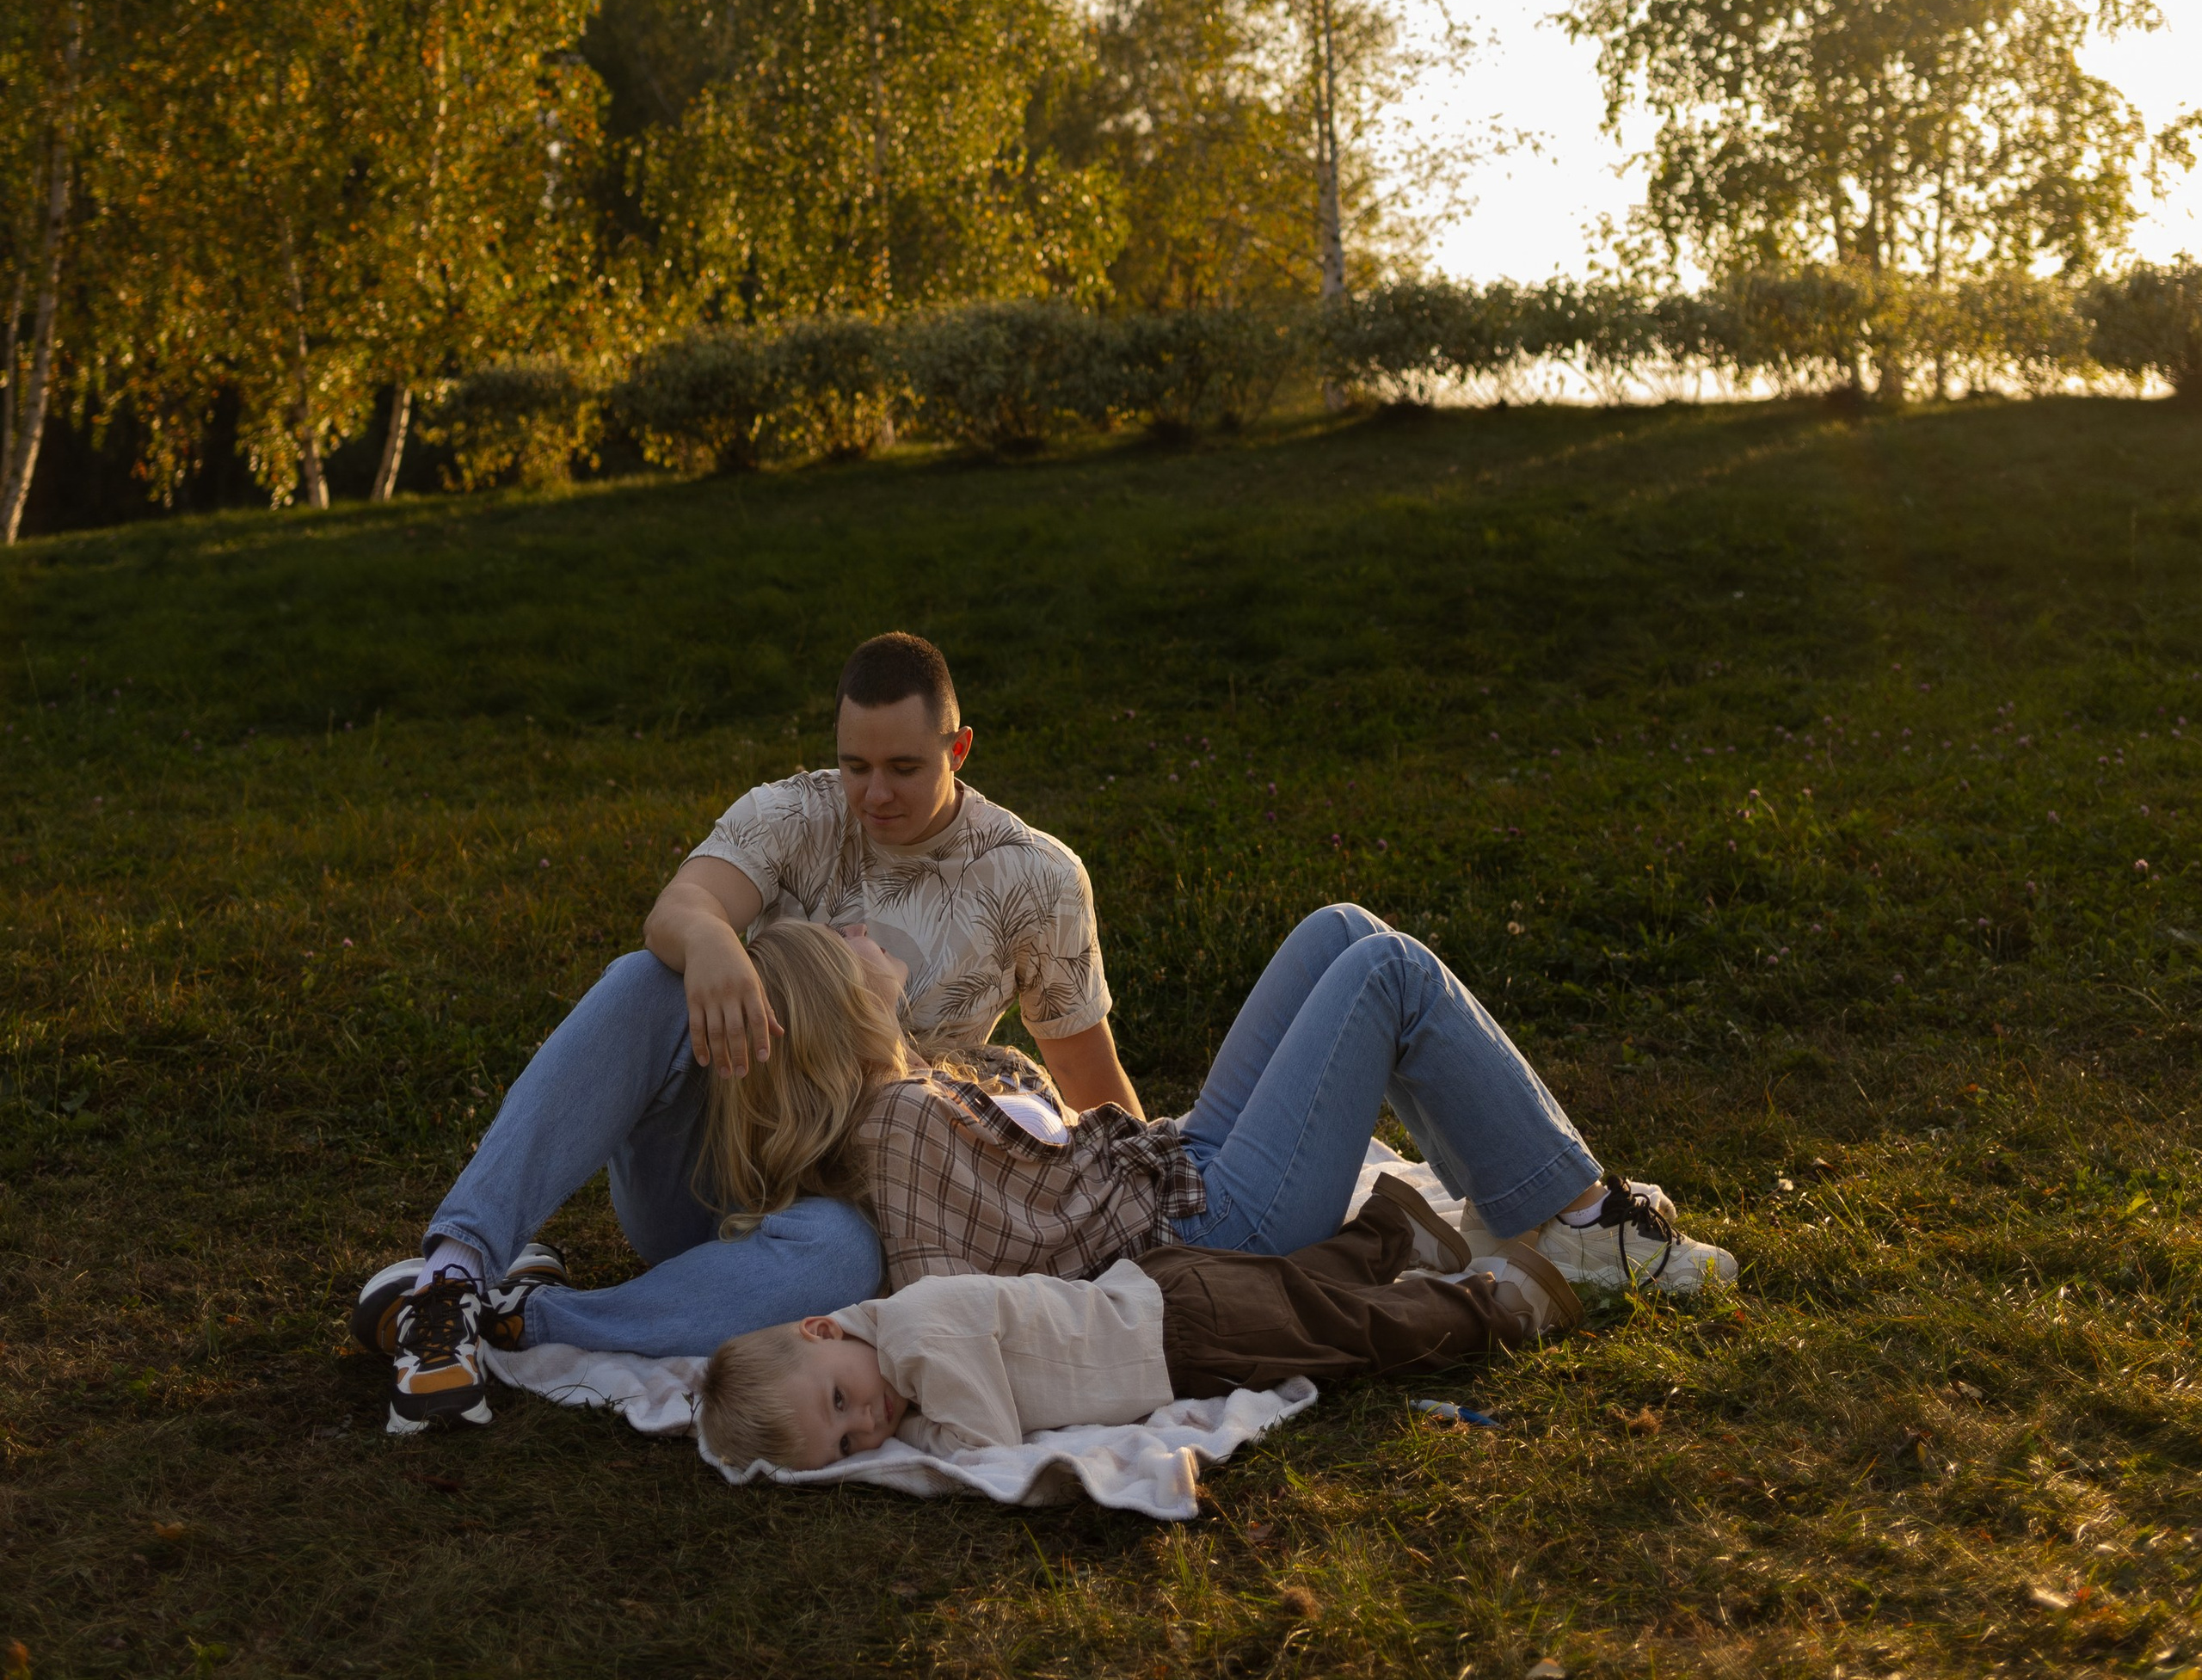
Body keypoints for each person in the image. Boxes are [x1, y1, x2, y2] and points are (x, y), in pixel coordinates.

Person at [354, 630, 1135, 1434]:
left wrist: (1145, 1209)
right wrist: (712, 944)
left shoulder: (1036, 877)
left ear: (958, 749)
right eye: (855, 765)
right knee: (647, 979)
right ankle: (455, 1272)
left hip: (846, 1207)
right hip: (705, 1170)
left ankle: (523, 1319)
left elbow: (1087, 1072)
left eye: (904, 768)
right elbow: (679, 909)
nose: (874, 795)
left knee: (846, 1256)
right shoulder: (794, 812)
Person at [720, 909, 1738, 1307]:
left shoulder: (913, 1091)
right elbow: (964, 1292)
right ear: (837, 1000)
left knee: (1340, 929)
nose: (856, 925)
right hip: (1209, 1225)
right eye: (836, 936)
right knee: (1389, 974)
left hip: (1172, 1163)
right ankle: (1578, 1227)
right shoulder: (895, 1122)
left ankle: (1517, 1199)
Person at [695, 1175, 1584, 1474]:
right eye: (849, 1446)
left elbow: (986, 1441)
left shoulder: (918, 1336)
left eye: (843, 1402)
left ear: (820, 1330)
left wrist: (924, 1433)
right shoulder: (891, 1343)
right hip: (1161, 1300)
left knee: (1343, 1332)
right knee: (1304, 1290)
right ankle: (1395, 1229)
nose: (871, 1426)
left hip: (1179, 1337)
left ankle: (1493, 1304)